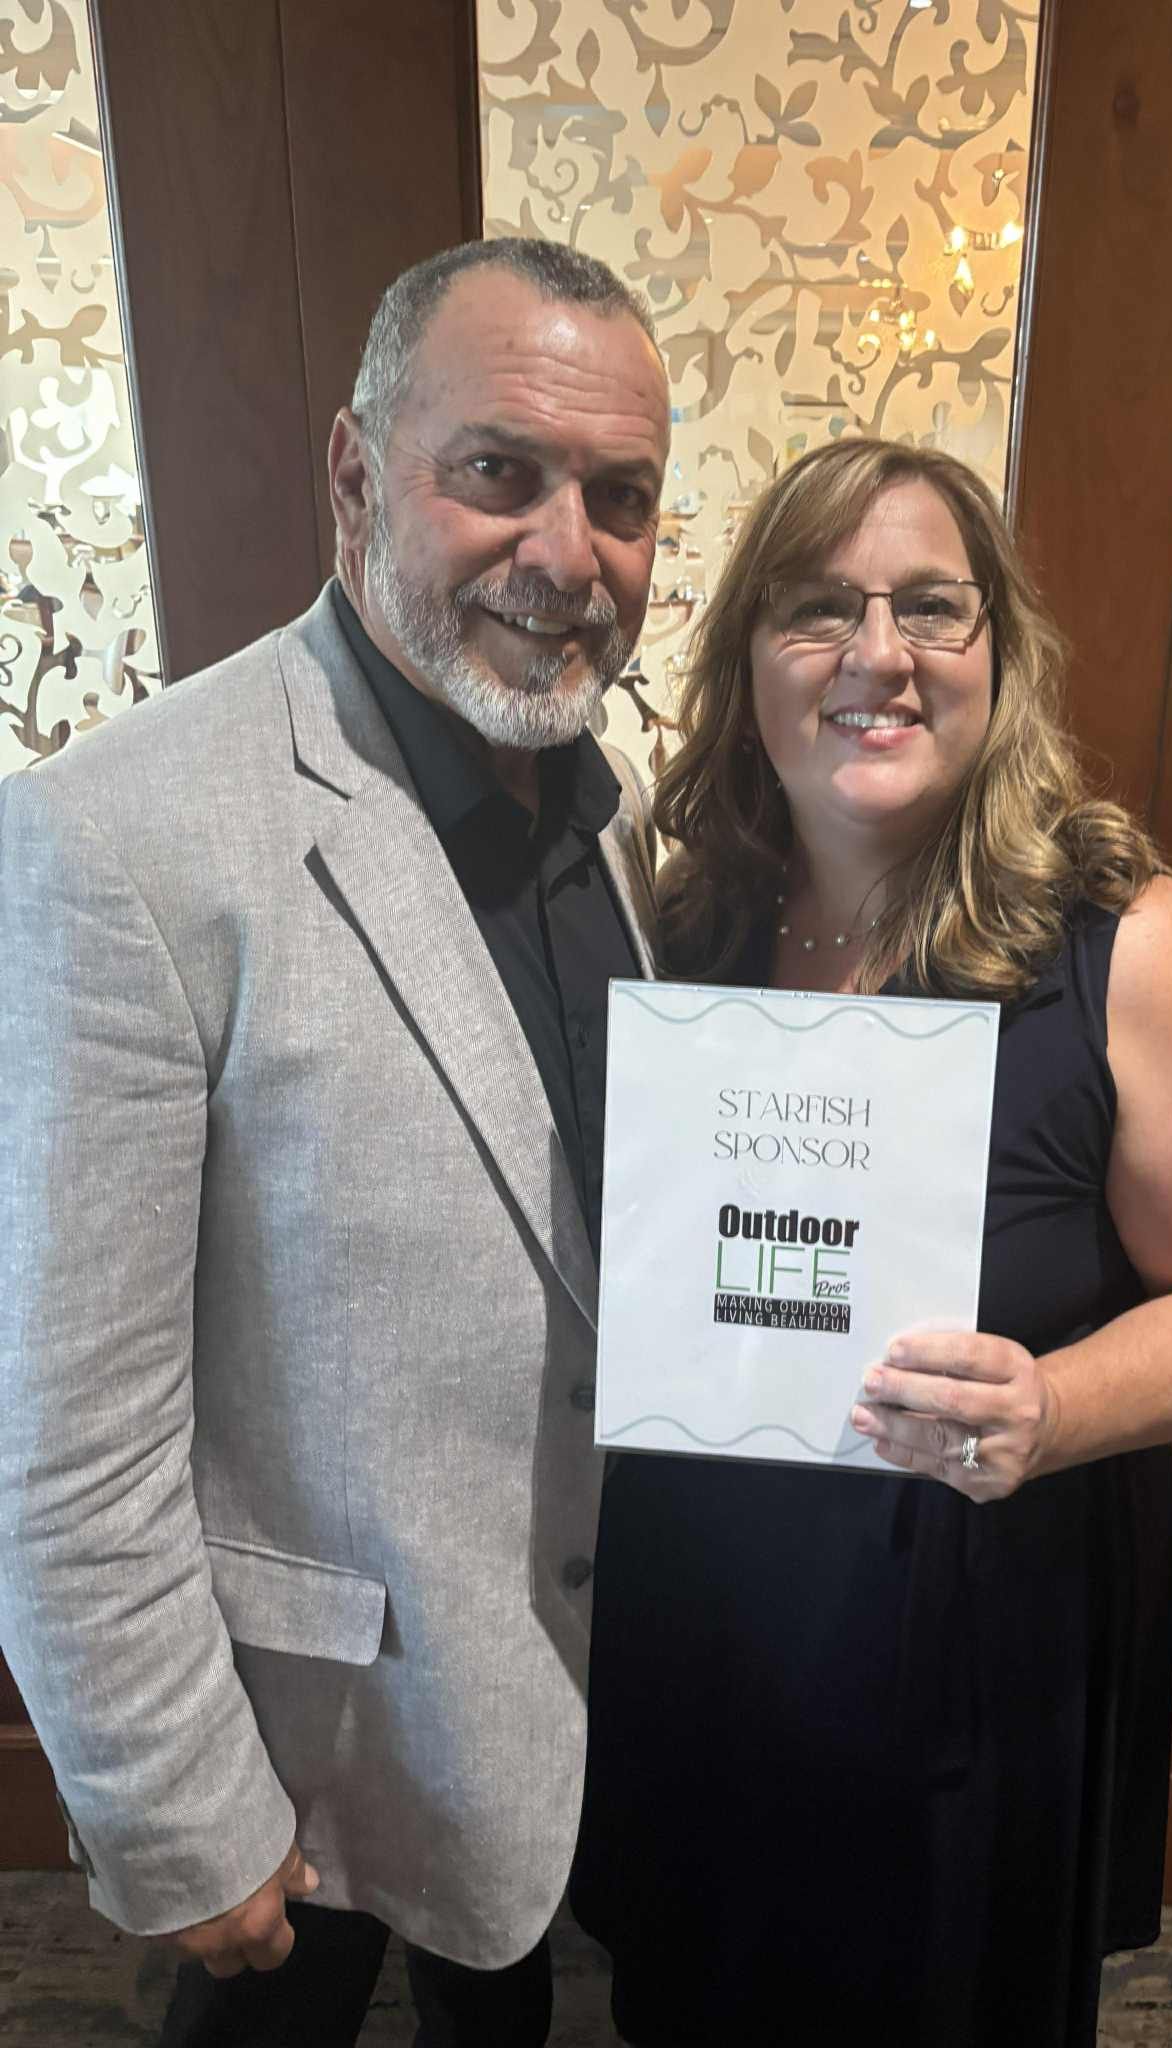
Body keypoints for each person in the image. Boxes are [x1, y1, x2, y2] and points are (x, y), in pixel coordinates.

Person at [569, 437, 1172, 2047]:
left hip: (971, 1627)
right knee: (696, 1983)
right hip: (702, 1601)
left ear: (1000, 651)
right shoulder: (681, 921)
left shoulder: (1127, 942)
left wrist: (1051, 1411)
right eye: (817, 611)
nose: (879, 658)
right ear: (746, 662)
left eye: (933, 606)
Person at [0, 236, 669, 2047]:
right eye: (497, 473)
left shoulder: (609, 815)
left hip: (543, 1696)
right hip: (294, 1763)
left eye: (621, 498)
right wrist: (173, 1810)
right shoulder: (117, 839)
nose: (568, 552)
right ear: (360, 473)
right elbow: (63, 1435)